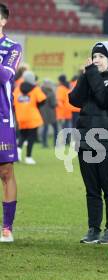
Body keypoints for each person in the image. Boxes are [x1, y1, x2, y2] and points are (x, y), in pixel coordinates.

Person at [69, 41, 108, 244]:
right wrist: (85, 75)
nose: (96, 60)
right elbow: (74, 100)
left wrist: (90, 73)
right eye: (94, 56)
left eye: (101, 57)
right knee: (92, 189)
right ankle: (93, 229)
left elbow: (104, 100)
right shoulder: (90, 75)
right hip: (86, 140)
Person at [0, 2, 22, 242]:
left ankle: (7, 227)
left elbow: (5, 74)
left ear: (3, 20)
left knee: (5, 172)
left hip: (2, 117)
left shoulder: (12, 47)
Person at [13, 71, 46, 164]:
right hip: (33, 117)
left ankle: (17, 154)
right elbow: (43, 100)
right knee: (31, 137)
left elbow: (13, 103)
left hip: (21, 117)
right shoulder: (35, 89)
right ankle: (28, 157)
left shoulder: (17, 89)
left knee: (22, 136)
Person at [40, 79, 58, 148]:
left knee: (45, 128)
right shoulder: (51, 92)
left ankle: (44, 144)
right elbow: (53, 104)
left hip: (43, 113)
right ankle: (55, 143)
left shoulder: (40, 92)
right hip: (51, 113)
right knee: (55, 128)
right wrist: (56, 103)